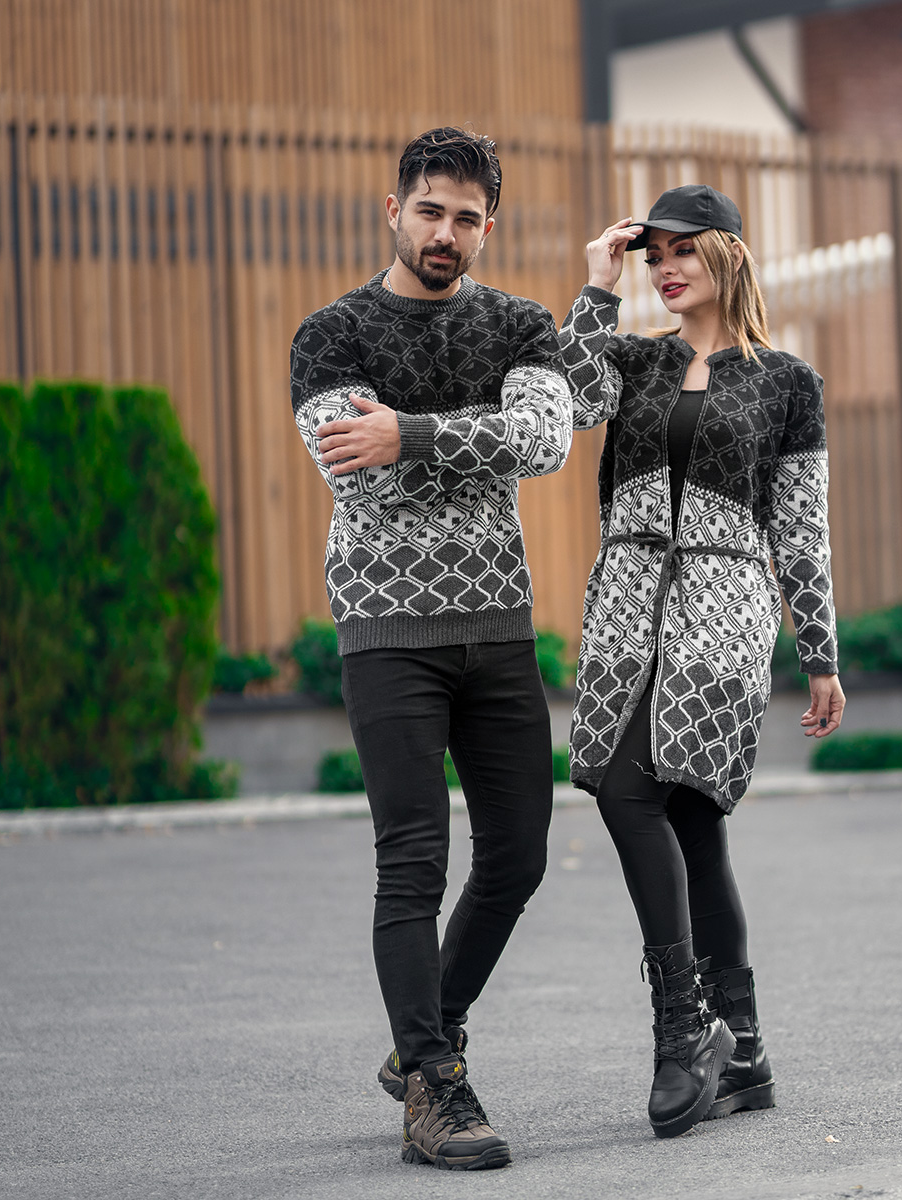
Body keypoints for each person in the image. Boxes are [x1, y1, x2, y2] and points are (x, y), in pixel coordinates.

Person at [289, 127, 572, 1171]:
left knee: (520, 853)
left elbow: (545, 440)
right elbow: (352, 470)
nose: (445, 232)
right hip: (387, 631)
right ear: (393, 211)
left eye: (466, 217)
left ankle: (423, 1033)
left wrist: (407, 430)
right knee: (412, 859)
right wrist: (467, 436)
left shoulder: (522, 324)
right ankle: (435, 1090)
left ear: (488, 225)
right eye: (429, 211)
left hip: (497, 622)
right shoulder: (332, 335)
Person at [558, 184, 846, 1139]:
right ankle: (746, 1050)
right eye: (654, 256)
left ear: (726, 252)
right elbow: (569, 405)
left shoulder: (787, 382)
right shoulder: (635, 360)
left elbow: (801, 528)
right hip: (628, 607)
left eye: (683, 250)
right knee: (684, 818)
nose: (666, 269)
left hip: (724, 615)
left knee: (640, 796)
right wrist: (598, 288)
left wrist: (820, 653)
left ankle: (682, 1033)